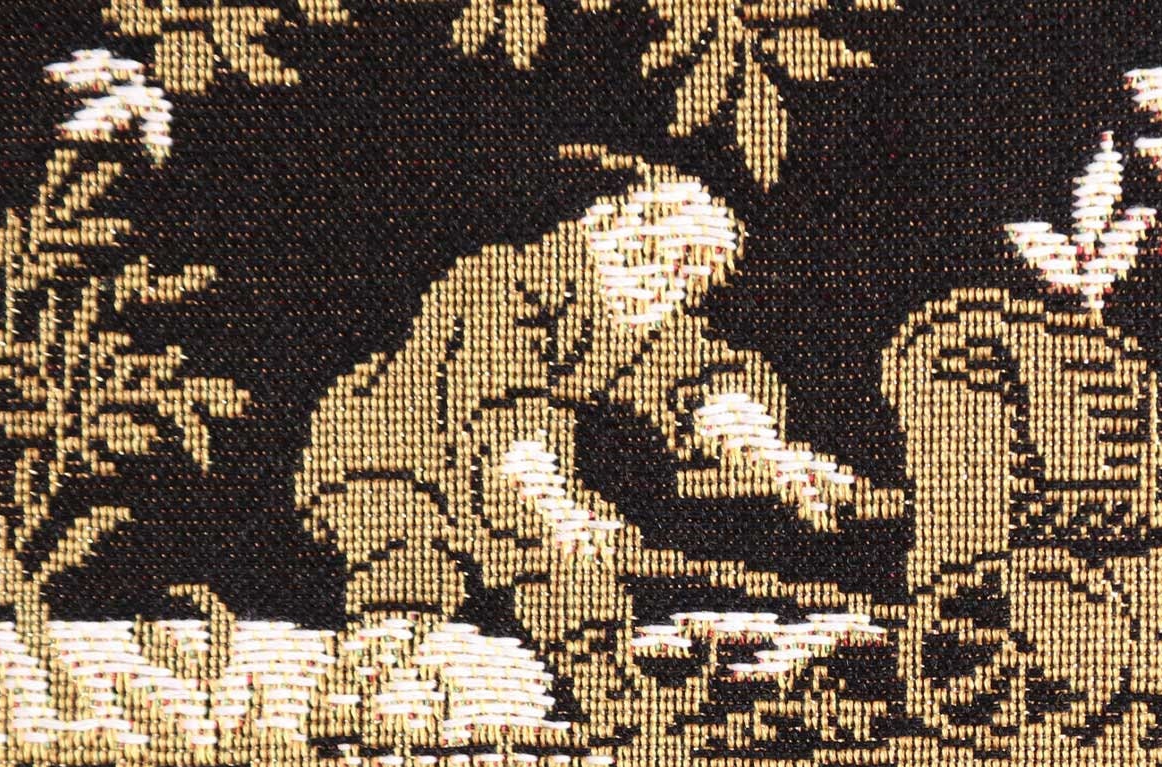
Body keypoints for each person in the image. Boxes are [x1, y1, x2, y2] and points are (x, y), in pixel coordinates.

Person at [297, 163, 875, 695]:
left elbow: (693, 381)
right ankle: (365, 686)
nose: (670, 283)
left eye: (691, 272)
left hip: (503, 467)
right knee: (416, 575)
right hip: (383, 461)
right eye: (663, 255)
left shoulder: (626, 311)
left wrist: (778, 459)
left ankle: (607, 690)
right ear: (606, 225)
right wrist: (557, 507)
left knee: (569, 558)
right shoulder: (499, 281)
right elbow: (503, 424)